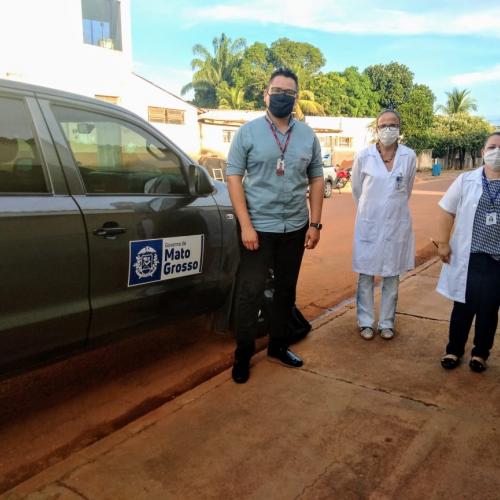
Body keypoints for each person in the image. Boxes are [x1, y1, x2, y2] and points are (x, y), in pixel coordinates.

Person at [226, 67, 324, 384]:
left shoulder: (308, 136)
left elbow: (317, 178)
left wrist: (315, 224)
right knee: (250, 292)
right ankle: (242, 355)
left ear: (296, 98)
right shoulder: (248, 132)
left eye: (288, 93)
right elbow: (233, 177)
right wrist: (246, 226)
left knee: (285, 291)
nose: (282, 97)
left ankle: (278, 346)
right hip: (259, 228)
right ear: (266, 94)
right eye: (277, 91)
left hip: (295, 227)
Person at [437, 132, 500, 373]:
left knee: (489, 309)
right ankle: (453, 349)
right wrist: (443, 243)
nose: (496, 152)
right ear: (483, 152)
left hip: (496, 261)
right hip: (469, 256)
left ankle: (480, 353)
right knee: (463, 306)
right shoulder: (466, 180)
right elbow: (446, 210)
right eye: (492, 147)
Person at [351, 110, 416, 340]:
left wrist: (390, 209)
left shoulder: (409, 156)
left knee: (392, 275)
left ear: (400, 128)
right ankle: (366, 321)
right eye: (384, 125)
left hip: (396, 224)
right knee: (366, 274)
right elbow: (357, 190)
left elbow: (406, 189)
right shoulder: (364, 156)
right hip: (369, 223)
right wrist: (374, 210)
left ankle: (387, 322)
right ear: (376, 129)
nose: (388, 129)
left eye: (393, 125)